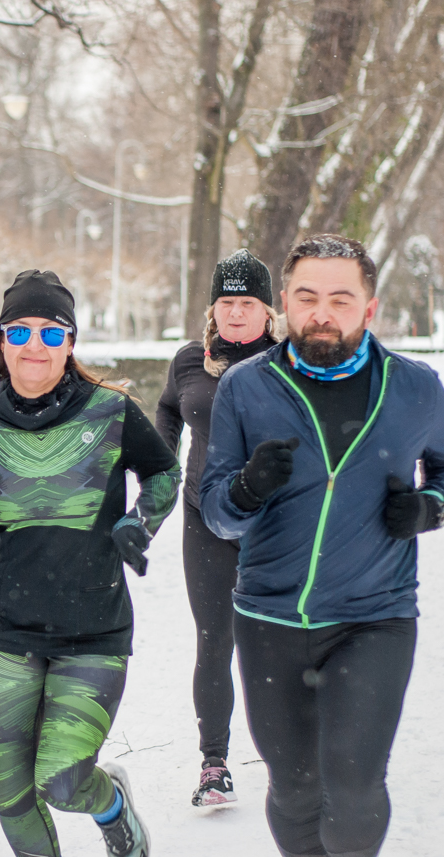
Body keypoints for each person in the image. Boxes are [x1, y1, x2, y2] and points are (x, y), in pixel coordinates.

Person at [200, 234, 444, 857]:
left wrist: (427, 508)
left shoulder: (418, 388)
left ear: (370, 307)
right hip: (267, 617)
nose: (322, 312)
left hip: (376, 616)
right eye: (307, 297)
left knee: (355, 786)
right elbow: (218, 511)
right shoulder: (246, 388)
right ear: (284, 302)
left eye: (341, 298)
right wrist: (249, 490)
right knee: (295, 787)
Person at [0, 270, 180, 857]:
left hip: (94, 631)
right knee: (14, 805)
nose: (33, 345)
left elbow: (164, 472)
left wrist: (140, 523)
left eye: (49, 331)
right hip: (8, 632)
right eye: (19, 332)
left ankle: (112, 803)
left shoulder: (111, 413)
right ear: (0, 343)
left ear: (70, 342)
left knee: (62, 782)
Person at [156, 249, 281, 807]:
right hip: (204, 518)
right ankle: (214, 763)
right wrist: (158, 464)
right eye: (226, 303)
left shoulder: (292, 363)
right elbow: (166, 411)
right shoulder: (188, 361)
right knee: (215, 641)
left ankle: (296, 759)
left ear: (267, 310)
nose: (235, 314)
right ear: (212, 308)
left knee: (281, 644)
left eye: (247, 303)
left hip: (277, 526)